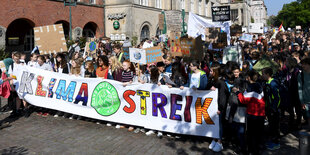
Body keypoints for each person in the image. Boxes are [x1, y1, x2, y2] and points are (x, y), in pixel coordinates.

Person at [236, 70, 265, 155]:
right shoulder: (260, 86)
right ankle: (258, 149)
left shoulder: (250, 87)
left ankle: (251, 150)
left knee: (251, 134)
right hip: (261, 113)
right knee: (259, 133)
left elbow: (243, 100)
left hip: (252, 114)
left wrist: (238, 92)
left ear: (249, 77)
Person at [262, 67, 281, 150]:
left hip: (274, 109)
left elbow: (278, 98)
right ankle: (273, 141)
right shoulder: (267, 83)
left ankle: (276, 143)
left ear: (267, 74)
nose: (262, 76)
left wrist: (274, 108)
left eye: (263, 74)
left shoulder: (273, 83)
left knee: (275, 127)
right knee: (271, 126)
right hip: (269, 108)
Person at [298, 57, 310, 130]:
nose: (302, 66)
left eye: (304, 64)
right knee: (309, 118)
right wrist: (302, 101)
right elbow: (299, 89)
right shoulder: (301, 75)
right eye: (302, 64)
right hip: (306, 102)